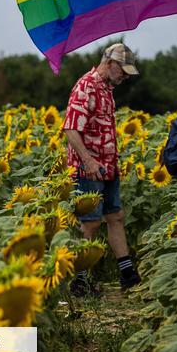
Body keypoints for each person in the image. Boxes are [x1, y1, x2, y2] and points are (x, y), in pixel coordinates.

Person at [63, 42, 141, 296]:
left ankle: (127, 274)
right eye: (123, 70)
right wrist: (88, 161)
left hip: (108, 166)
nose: (125, 76)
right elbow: (71, 129)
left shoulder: (106, 89)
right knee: (91, 223)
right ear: (110, 63)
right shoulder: (86, 86)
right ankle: (80, 281)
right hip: (89, 168)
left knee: (115, 216)